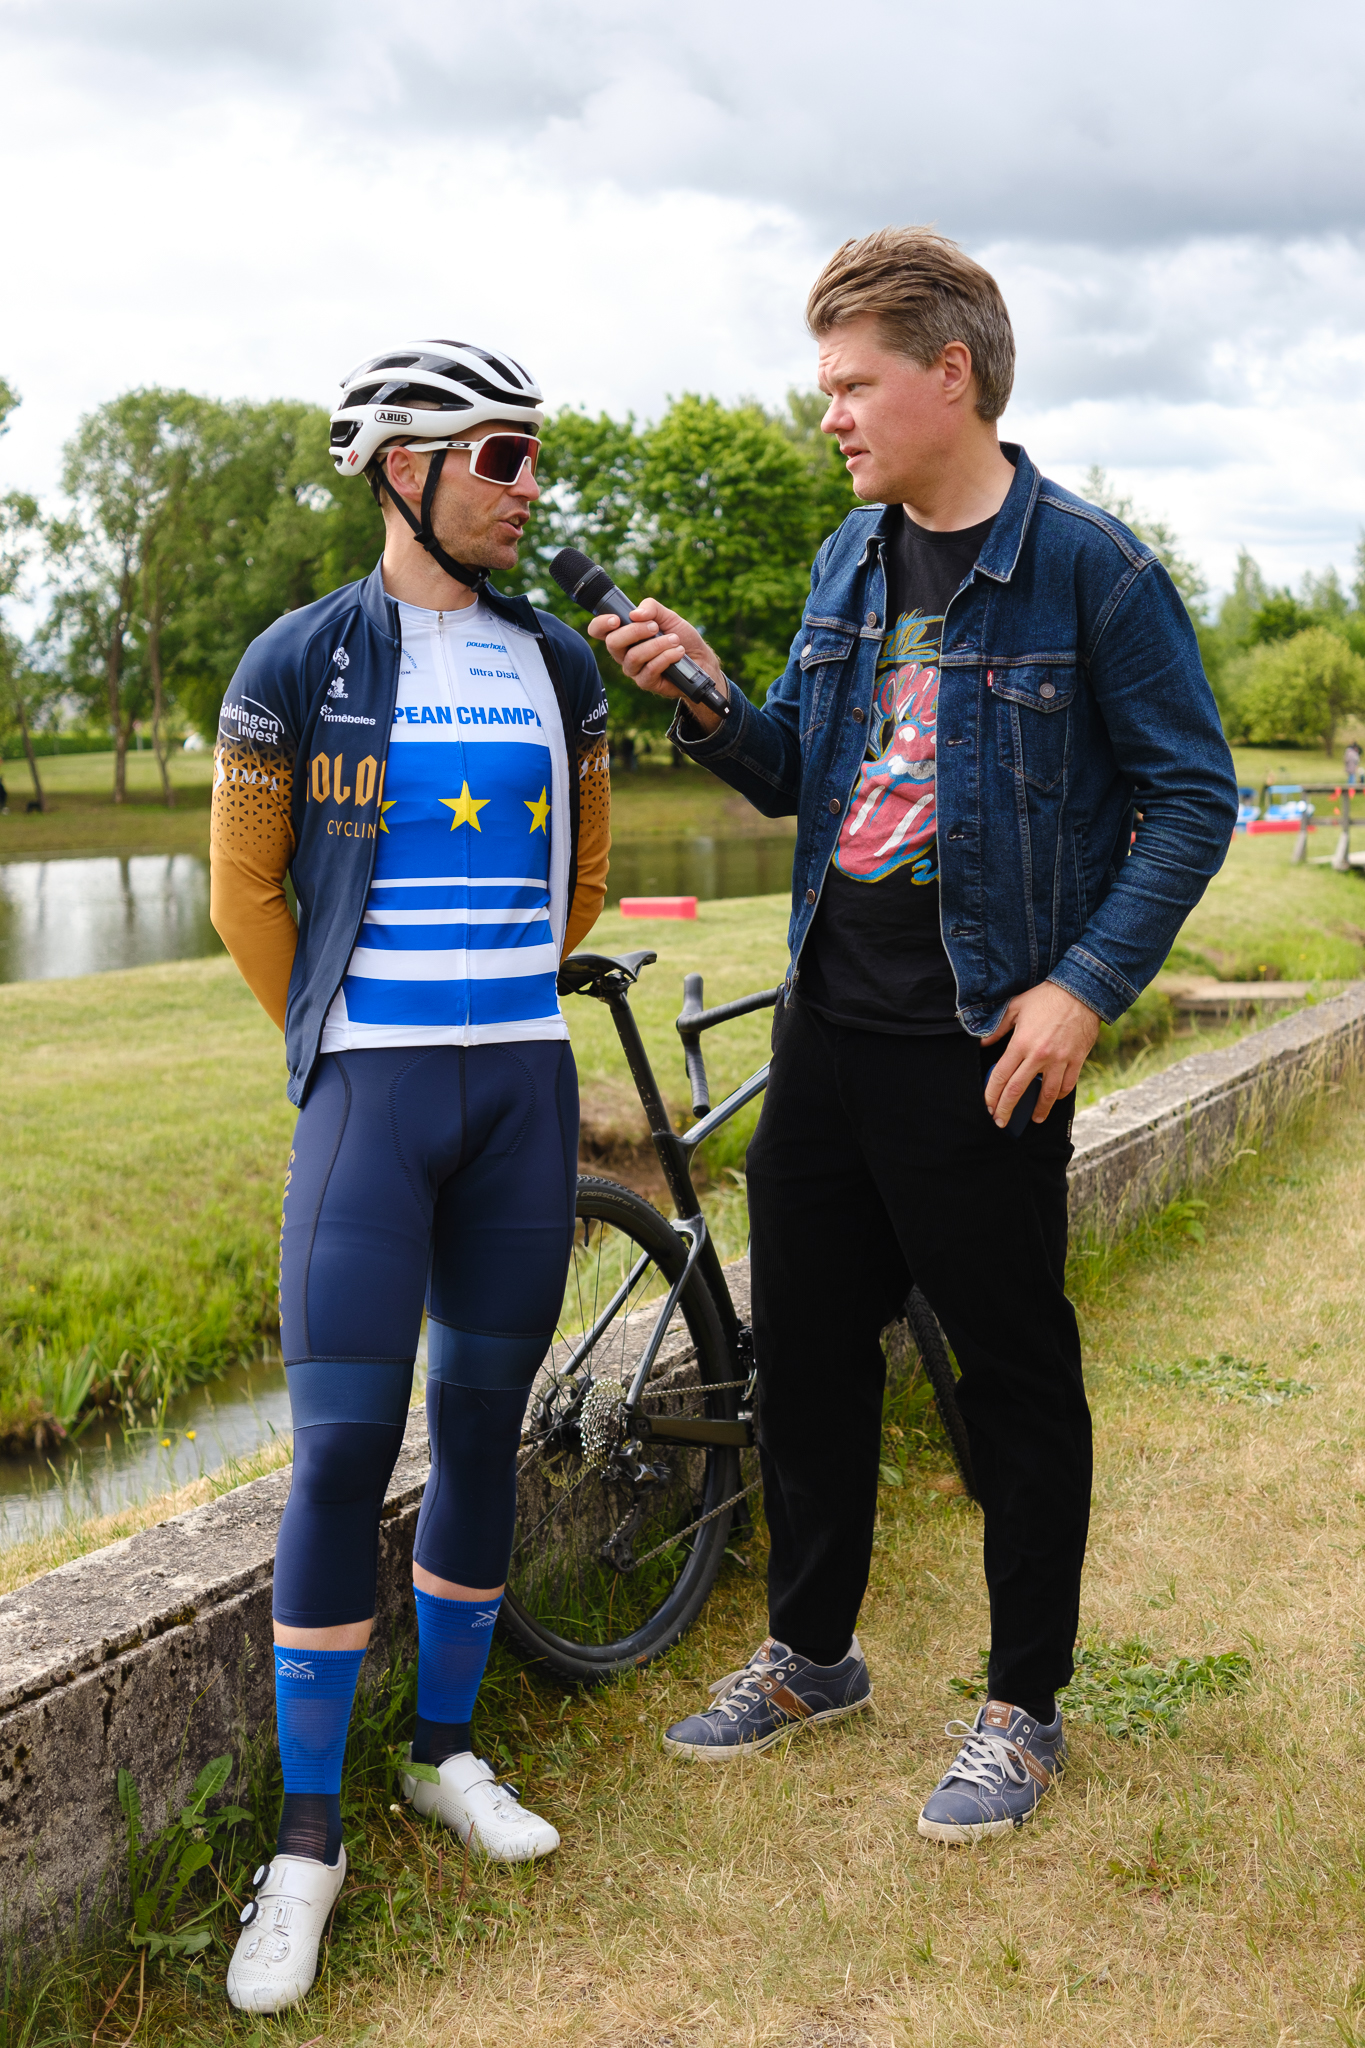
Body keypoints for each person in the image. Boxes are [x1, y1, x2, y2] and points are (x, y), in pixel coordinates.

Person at [592, 229, 1236, 1842]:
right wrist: (706, 699)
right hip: (830, 1020)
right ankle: (812, 1655)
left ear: (950, 375)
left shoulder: (1090, 570)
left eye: (851, 384)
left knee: (1011, 1374)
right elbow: (809, 778)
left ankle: (1022, 1705)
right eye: (825, 388)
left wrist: (1081, 986)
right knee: (806, 1356)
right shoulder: (847, 558)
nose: (829, 415)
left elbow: (1189, 796)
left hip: (981, 1037)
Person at [211, 340, 610, 2011]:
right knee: (338, 1458)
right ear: (402, 467)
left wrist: (498, 1012)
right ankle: (303, 1844)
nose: (528, 486)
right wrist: (351, 1042)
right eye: (498, 455)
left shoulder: (557, 663)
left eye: (532, 456)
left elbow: (585, 872)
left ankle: (442, 1751)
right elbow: (247, 896)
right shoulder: (296, 661)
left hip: (522, 1085)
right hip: (368, 1101)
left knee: (482, 1432)